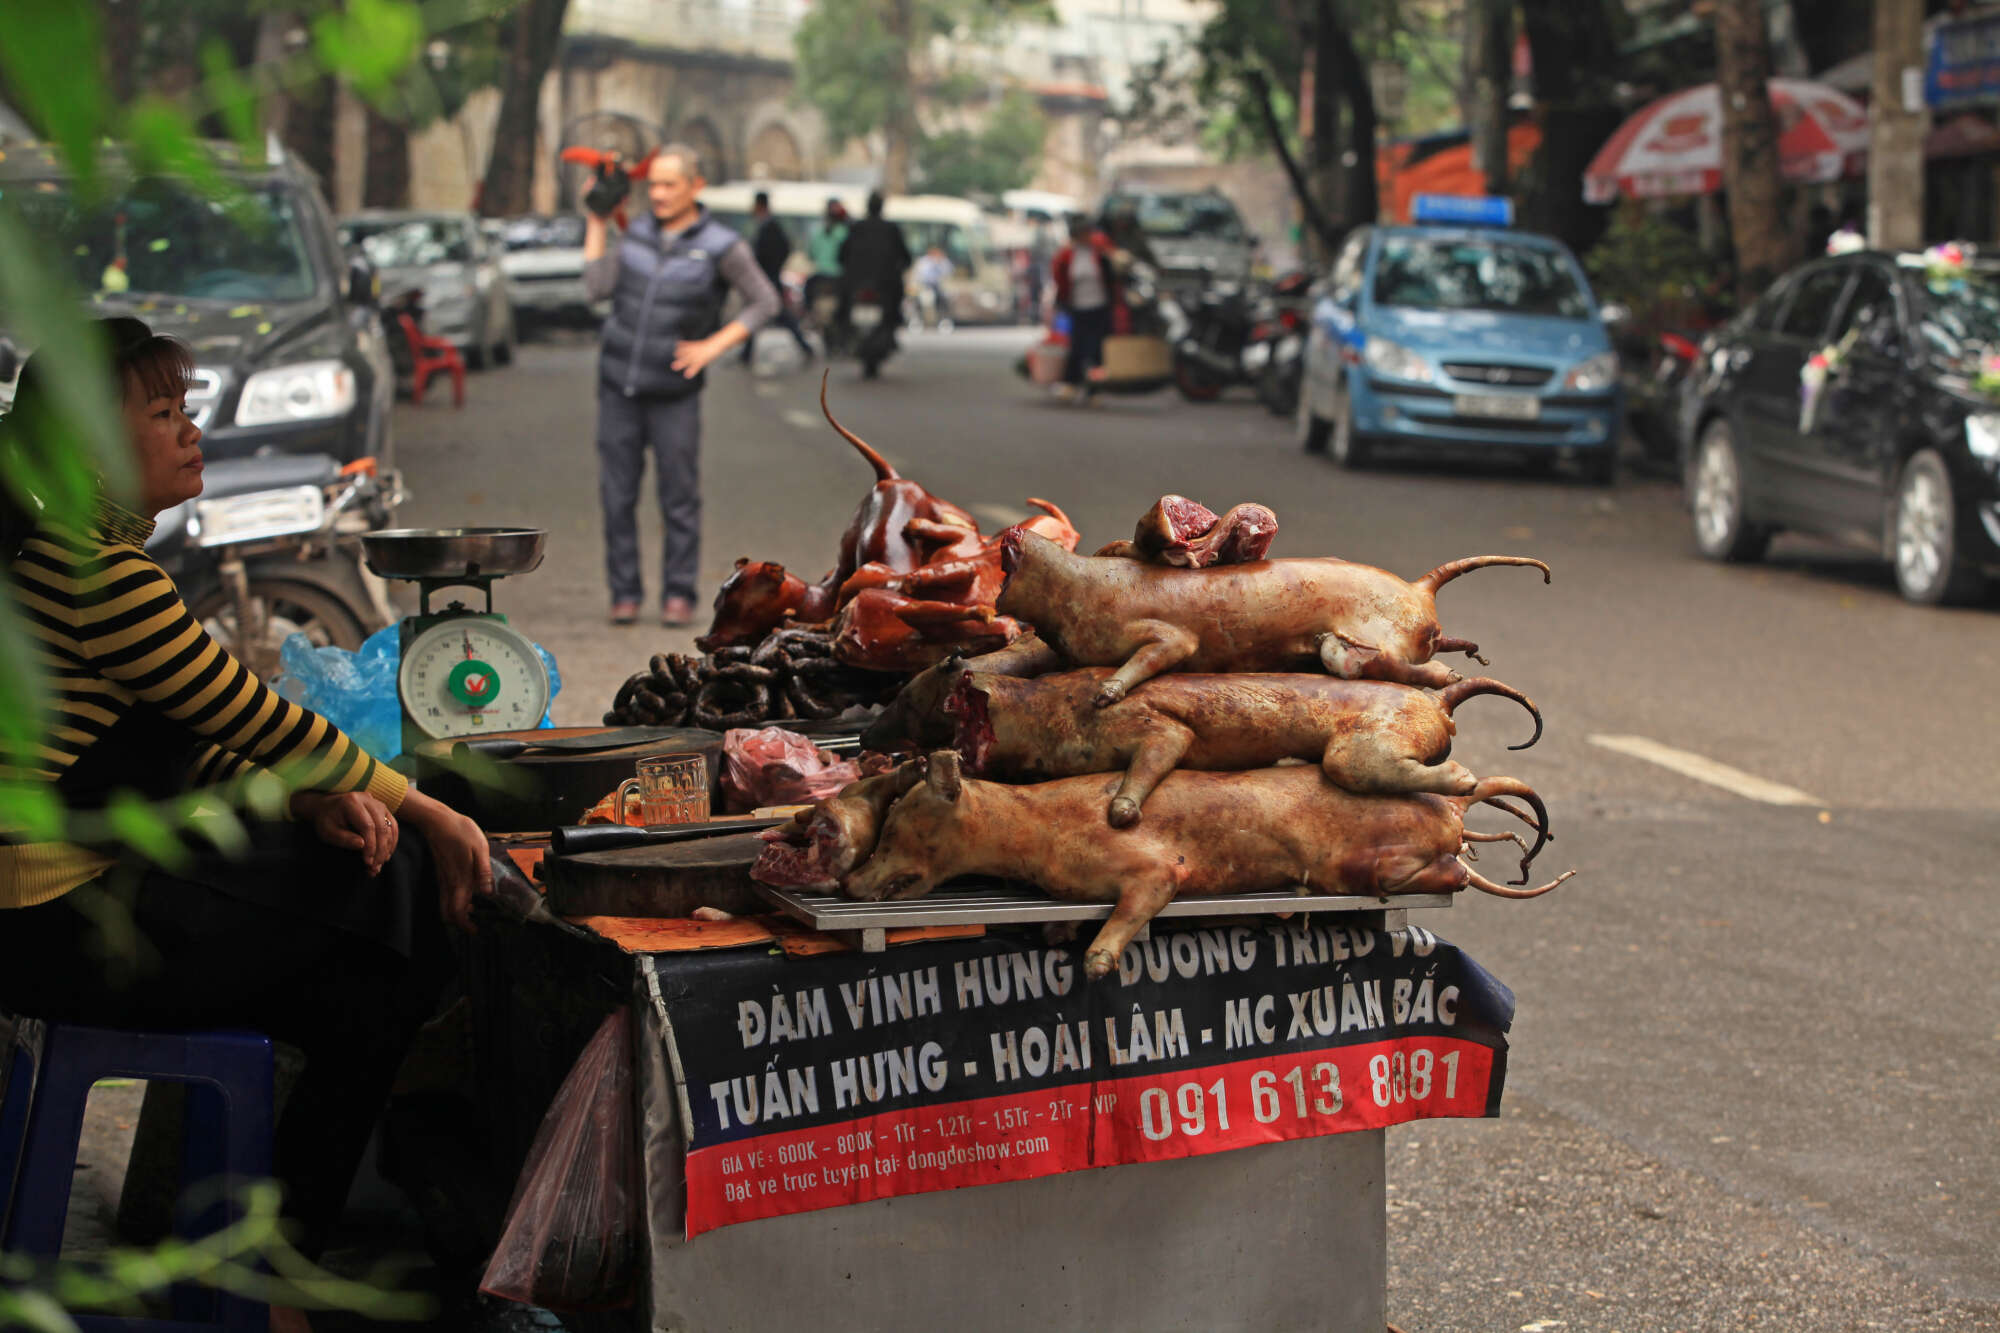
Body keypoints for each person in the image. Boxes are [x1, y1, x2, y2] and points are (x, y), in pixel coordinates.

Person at [0, 318, 493, 1285]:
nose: (190, 431)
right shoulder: (96, 576)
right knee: (383, 910)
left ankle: (251, 1271)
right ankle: (274, 1279)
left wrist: (310, 801)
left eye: (184, 409)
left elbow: (168, 737)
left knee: (363, 991)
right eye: (161, 413)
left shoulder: (70, 559)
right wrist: (428, 811)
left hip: (58, 901)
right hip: (46, 917)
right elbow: (256, 715)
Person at [582, 143, 780, 627]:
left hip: (674, 393)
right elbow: (595, 287)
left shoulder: (720, 244)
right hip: (617, 386)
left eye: (671, 184)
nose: (660, 194)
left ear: (696, 186)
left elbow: (764, 301)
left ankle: (678, 594)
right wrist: (596, 220)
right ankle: (624, 592)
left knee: (679, 496)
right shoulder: (635, 234)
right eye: (654, 185)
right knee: (617, 495)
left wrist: (713, 346)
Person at [838, 190, 913, 376]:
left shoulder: (856, 227)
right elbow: (905, 258)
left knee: (842, 307)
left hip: (862, 285)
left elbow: (841, 256)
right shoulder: (890, 229)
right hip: (883, 286)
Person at [1051, 214, 1121, 404]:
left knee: (1096, 351)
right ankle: (1071, 385)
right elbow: (1061, 279)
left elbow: (1116, 270)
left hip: (1099, 307)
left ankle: (1095, 390)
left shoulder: (1100, 251)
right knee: (1077, 348)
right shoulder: (1067, 255)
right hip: (1078, 308)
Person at [740, 189, 814, 366]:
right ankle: (746, 353)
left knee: (774, 315)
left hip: (768, 279)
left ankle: (804, 346)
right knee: (765, 314)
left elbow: (780, 250)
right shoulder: (766, 226)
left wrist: (769, 268)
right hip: (766, 278)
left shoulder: (771, 227)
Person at [806, 197, 850, 323]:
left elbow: (811, 255)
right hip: (839, 277)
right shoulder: (845, 232)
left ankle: (809, 316)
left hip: (820, 277)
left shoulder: (818, 232)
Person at [913, 243, 953, 330]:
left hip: (937, 286)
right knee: (919, 301)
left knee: (942, 300)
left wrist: (939, 263)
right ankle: (918, 321)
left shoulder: (943, 261)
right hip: (925, 285)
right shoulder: (924, 261)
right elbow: (921, 274)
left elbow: (948, 272)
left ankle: (943, 321)